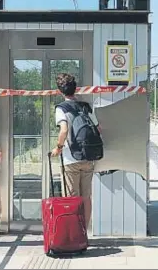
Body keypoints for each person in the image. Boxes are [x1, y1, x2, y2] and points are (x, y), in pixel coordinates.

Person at [51, 73, 99, 229]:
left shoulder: (61, 108)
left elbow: (63, 130)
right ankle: (84, 231)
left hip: (71, 159)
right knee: (86, 197)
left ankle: (74, 232)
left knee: (72, 197)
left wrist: (58, 148)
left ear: (60, 91)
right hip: (88, 158)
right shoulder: (85, 106)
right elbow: (98, 128)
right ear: (75, 89)